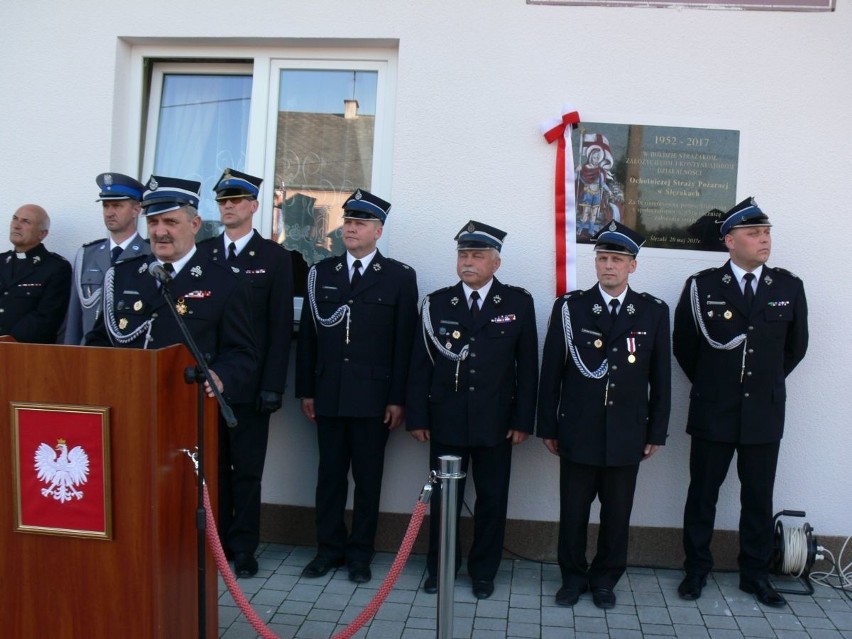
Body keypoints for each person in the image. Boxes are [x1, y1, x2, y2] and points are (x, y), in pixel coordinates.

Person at [673, 197, 808, 608]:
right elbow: (685, 347)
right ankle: (696, 570)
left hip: (763, 412)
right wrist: (717, 384)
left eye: (766, 233)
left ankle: (755, 574)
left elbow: (795, 348)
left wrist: (761, 385)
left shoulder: (787, 286)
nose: (763, 240)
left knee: (758, 496)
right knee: (703, 495)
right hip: (714, 409)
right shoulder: (703, 287)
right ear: (730, 241)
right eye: (754, 233)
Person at [537, 221, 670, 609]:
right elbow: (552, 374)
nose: (608, 266)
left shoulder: (652, 312)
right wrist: (547, 424)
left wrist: (655, 432)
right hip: (578, 430)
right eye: (602, 258)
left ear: (633, 266)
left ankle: (606, 579)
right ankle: (572, 578)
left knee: (617, 515)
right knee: (573, 513)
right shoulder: (570, 308)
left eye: (617, 259)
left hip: (627, 433)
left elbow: (661, 380)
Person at [406, 220, 538, 600]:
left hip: (496, 423)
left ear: (495, 262)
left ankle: (484, 572)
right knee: (445, 501)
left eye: (477, 255)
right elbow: (421, 365)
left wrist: (522, 420)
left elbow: (528, 367)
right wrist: (418, 416)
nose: (468, 262)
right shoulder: (436, 303)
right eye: (463, 254)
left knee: (492, 501)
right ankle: (441, 568)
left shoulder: (517, 303)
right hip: (445, 419)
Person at [295, 189, 418, 584]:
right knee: (329, 477)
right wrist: (306, 390)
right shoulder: (322, 273)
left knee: (368, 479)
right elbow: (311, 337)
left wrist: (398, 398)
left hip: (374, 398)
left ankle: (360, 554)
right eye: (348, 221)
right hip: (329, 393)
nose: (350, 227)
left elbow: (405, 343)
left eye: (360, 222)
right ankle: (328, 549)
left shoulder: (399, 277)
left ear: (378, 231)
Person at [86, 175, 256, 408]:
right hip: (126, 402)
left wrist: (221, 376)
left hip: (187, 406)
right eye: (153, 222)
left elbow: (241, 354)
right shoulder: (122, 276)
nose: (159, 231)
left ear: (195, 224)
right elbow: (98, 341)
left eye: (170, 222)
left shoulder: (225, 281)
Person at [197, 168, 294, 578]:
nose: (229, 206)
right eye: (223, 201)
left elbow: (278, 327)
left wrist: (273, 385)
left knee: (248, 470)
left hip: (251, 386)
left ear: (254, 206)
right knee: (211, 469)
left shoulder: (275, 258)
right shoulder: (203, 255)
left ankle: (244, 546)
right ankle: (214, 544)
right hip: (206, 383)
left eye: (236, 200)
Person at [65, 173, 150, 344]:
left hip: (128, 354)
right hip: (87, 354)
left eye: (117, 206)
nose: (110, 212)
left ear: (136, 209)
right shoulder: (87, 255)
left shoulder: (149, 254)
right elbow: (74, 318)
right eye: (106, 206)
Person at [0, 204, 71, 343]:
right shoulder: (1, 261)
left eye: (26, 221)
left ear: (42, 233)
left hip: (27, 352)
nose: (16, 225)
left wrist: (9, 341)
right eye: (15, 219)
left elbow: (48, 316)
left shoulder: (56, 267)